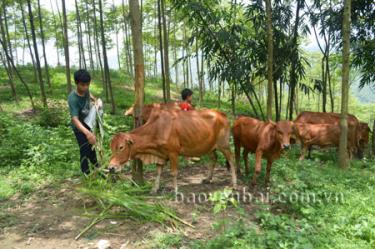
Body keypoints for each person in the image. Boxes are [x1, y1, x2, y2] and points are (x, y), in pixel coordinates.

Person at [67, 69, 99, 175]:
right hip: (79, 127)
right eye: (82, 85)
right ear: (77, 83)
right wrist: (88, 133)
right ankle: (86, 173)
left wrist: (96, 102)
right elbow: (75, 119)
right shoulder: (73, 99)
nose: (85, 87)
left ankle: (97, 168)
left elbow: (90, 96)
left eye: (87, 85)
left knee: (92, 148)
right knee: (84, 149)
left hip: (87, 122)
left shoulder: (86, 91)